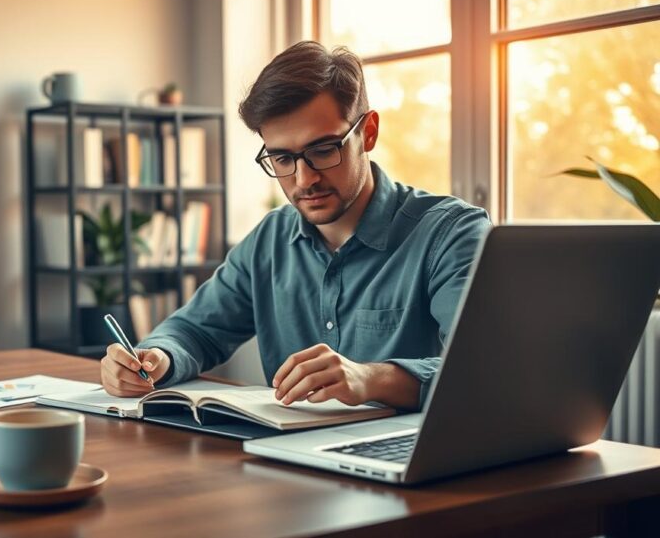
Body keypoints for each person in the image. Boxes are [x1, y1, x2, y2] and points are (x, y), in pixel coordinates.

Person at [99, 41, 491, 410]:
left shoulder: (451, 235)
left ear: (367, 133)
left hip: (414, 467)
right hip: (287, 461)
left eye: (323, 150)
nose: (304, 179)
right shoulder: (269, 241)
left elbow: (486, 369)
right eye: (282, 159)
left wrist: (371, 379)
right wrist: (154, 359)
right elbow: (193, 332)